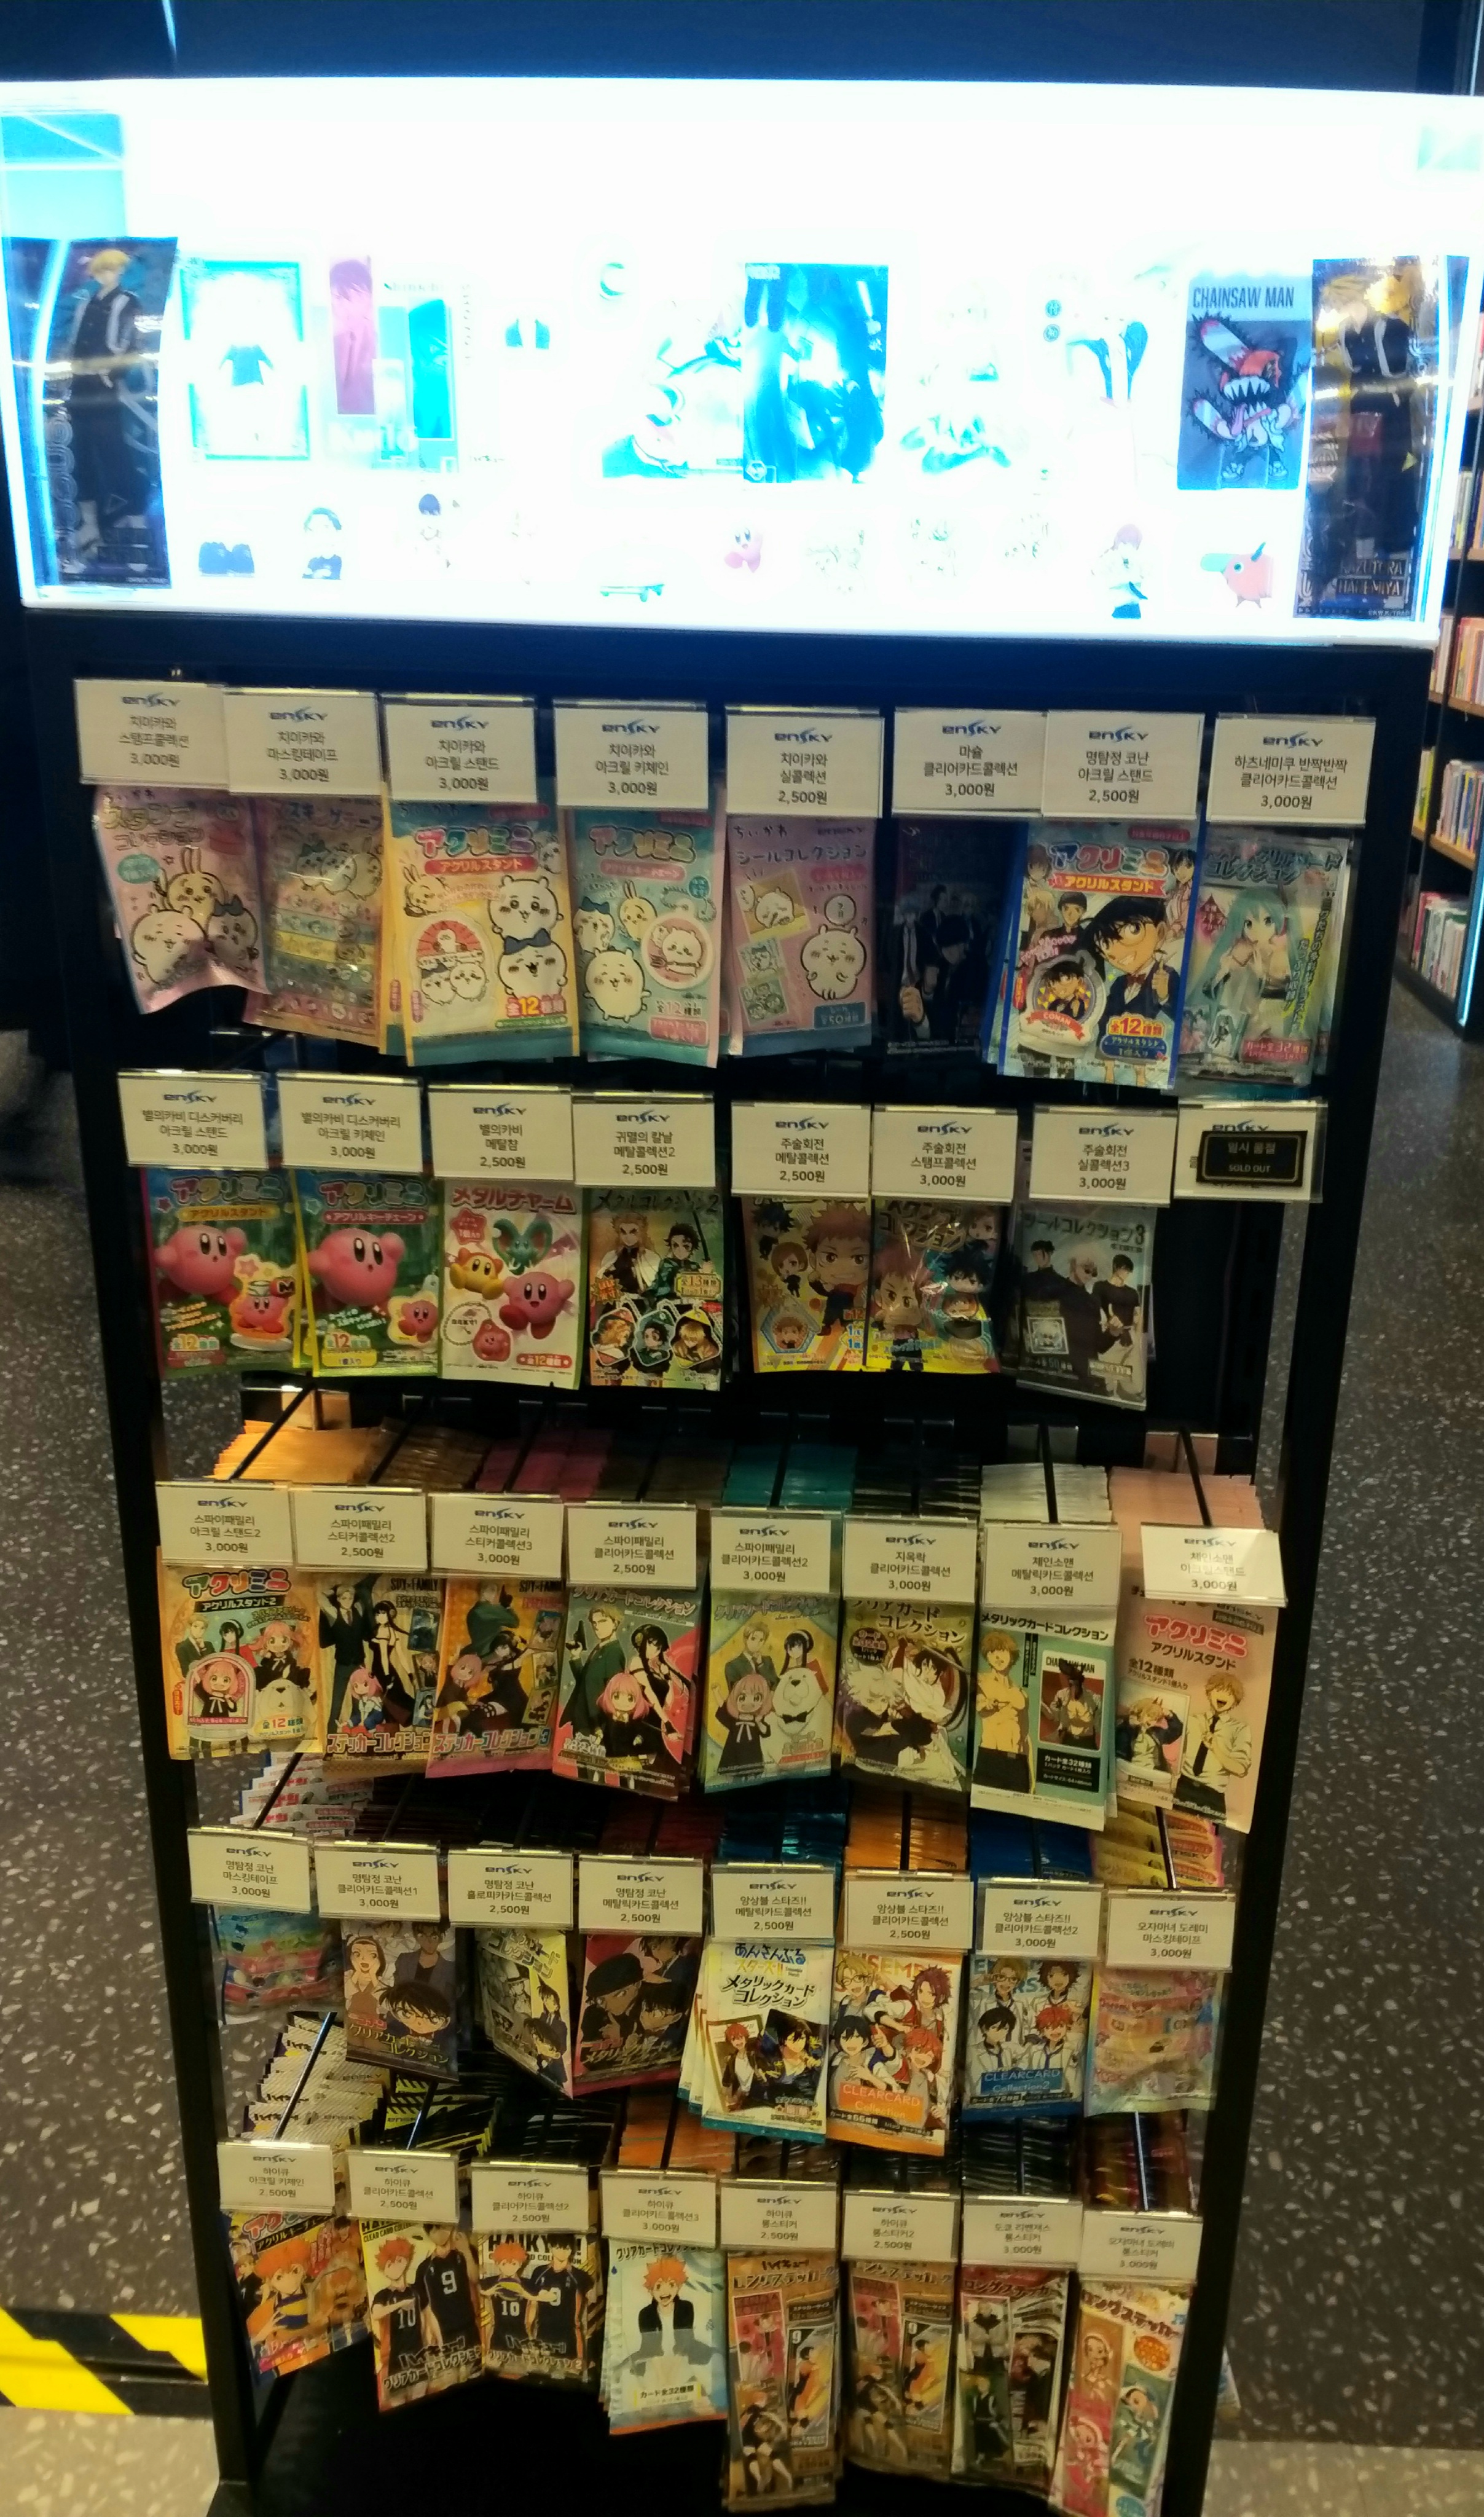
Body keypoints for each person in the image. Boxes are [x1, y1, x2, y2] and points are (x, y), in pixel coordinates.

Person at [522, 2236, 591, 2363]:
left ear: (572, 2250)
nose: (562, 2252)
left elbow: (588, 2301)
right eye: (558, 2248)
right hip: (543, 2332)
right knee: (541, 2369)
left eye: (567, 2249)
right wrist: (529, 2330)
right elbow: (532, 2303)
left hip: (568, 2334)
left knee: (570, 2371)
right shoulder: (539, 2272)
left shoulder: (580, 2276)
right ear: (550, 2248)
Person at [415, 2226, 481, 2359]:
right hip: (444, 2331)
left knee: (474, 2366)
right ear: (429, 2235)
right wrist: (430, 2335)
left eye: (443, 2228)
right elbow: (424, 2307)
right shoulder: (424, 2268)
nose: (440, 2234)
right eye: (434, 2231)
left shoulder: (463, 2255)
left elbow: (475, 2278)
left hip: (469, 2325)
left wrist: (466, 2251)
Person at [393, 1920, 455, 2008]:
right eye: (422, 1936)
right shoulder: (404, 1960)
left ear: (441, 1937)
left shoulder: (449, 1968)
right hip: (405, 2012)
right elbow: (397, 1993)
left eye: (434, 1937)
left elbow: (450, 2003)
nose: (428, 1942)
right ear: (416, 1936)